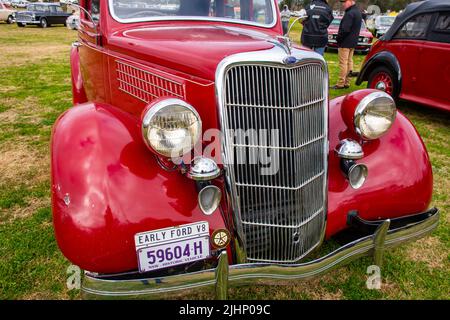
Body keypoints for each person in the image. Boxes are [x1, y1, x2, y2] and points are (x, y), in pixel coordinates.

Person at [331, 0, 362, 89]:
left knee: (343, 63)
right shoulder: (357, 12)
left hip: (345, 42)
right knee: (349, 62)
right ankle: (347, 82)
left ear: (351, 1)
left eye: (345, 2)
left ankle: (340, 83)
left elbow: (345, 30)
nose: (343, 4)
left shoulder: (350, 13)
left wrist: (338, 39)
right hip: (352, 42)